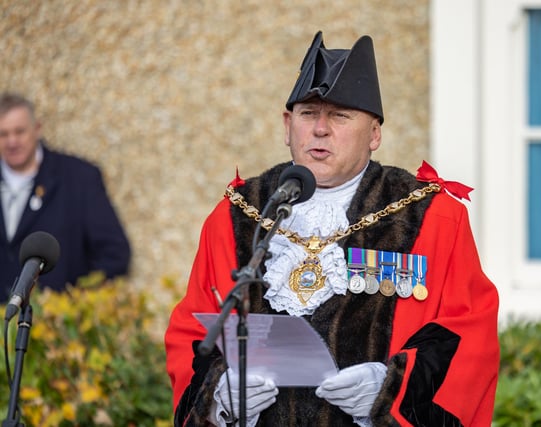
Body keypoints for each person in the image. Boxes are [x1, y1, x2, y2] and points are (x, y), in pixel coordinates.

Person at [165, 31, 499, 427]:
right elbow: (192, 326)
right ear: (287, 125)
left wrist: (392, 389)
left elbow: (470, 336)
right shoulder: (238, 215)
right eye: (308, 113)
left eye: (340, 115)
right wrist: (219, 393)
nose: (320, 129)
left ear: (374, 133)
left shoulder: (432, 217)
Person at [0, 92, 131, 302]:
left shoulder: (79, 178)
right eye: (3, 134)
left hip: (56, 326)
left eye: (19, 131)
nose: (12, 141)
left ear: (37, 129)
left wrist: (75, 305)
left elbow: (114, 253)